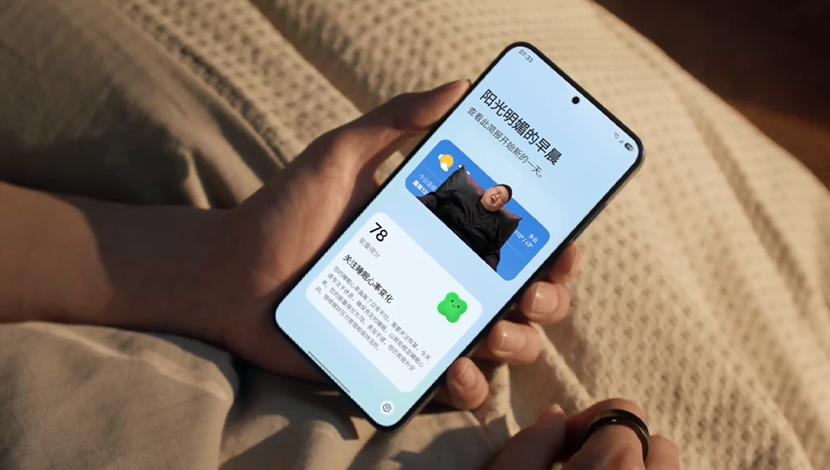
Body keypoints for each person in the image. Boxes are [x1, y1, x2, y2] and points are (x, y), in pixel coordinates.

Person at [0, 79, 679, 469]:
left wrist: (217, 268)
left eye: (505, 197)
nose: (499, 196)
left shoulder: (498, 233)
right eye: (498, 190)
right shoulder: (456, 190)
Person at [420, 173, 513, 269]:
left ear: (500, 206)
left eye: (501, 199)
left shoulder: (495, 228)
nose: (497, 196)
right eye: (498, 192)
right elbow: (435, 198)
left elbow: (493, 253)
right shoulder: (461, 195)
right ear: (489, 189)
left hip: (457, 262)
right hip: (432, 236)